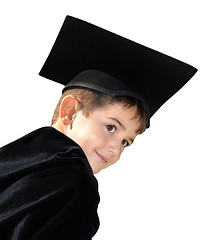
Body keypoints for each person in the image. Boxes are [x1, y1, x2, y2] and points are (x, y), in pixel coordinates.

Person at [0, 15, 197, 239]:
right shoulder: (76, 185)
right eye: (111, 127)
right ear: (70, 112)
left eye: (126, 142)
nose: (116, 149)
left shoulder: (11, 161)